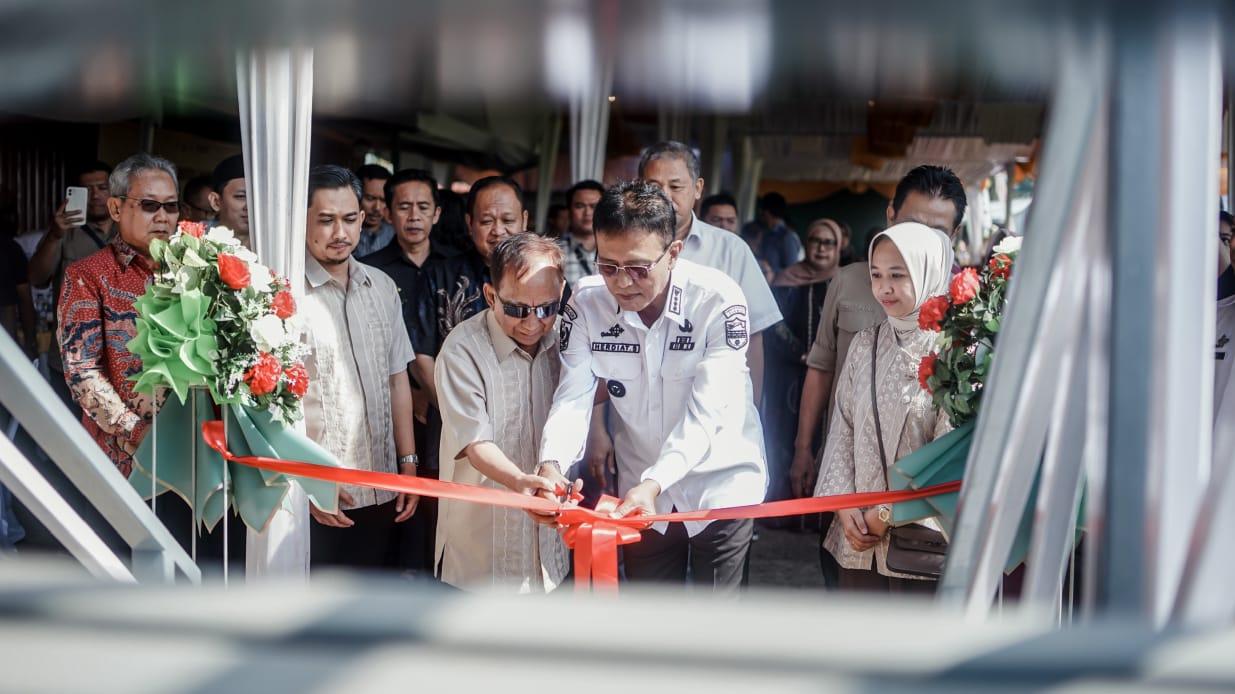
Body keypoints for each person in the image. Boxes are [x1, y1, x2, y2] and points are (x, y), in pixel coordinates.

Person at [540, 181, 768, 592]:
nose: (623, 283)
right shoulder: (585, 305)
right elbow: (573, 396)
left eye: (639, 268)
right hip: (638, 488)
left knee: (713, 630)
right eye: (608, 267)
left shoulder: (718, 301)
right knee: (648, 616)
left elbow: (708, 412)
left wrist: (655, 481)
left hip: (719, 483)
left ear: (674, 254)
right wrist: (553, 464)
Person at [789, 165, 967, 500]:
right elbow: (822, 366)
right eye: (912, 225)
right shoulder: (848, 282)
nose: (885, 288)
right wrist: (803, 449)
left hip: (920, 499)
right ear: (891, 215)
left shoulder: (966, 304)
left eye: (938, 232)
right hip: (844, 476)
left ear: (954, 235)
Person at [813, 222, 954, 592]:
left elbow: (949, 454)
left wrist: (886, 514)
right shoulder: (864, 344)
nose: (884, 288)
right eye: (876, 275)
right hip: (857, 540)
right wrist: (845, 508)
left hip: (921, 545)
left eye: (898, 275)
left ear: (928, 272)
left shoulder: (951, 351)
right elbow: (842, 428)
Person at [435, 233, 575, 592]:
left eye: (546, 308)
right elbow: (474, 441)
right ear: (490, 295)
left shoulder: (567, 340)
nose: (532, 322)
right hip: (481, 555)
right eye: (516, 309)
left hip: (550, 554)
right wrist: (518, 481)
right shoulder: (461, 350)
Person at [300, 165, 419, 570]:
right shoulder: (282, 293)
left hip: (383, 484)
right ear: (302, 220)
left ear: (364, 219)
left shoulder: (382, 287)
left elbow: (397, 379)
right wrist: (309, 482)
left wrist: (408, 464)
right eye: (326, 220)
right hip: (318, 493)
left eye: (350, 219)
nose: (340, 233)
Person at [57, 154, 177, 475]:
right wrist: (139, 433)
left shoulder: (193, 271)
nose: (163, 217)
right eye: (150, 205)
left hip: (190, 453)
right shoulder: (89, 274)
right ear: (115, 209)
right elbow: (82, 370)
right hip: (121, 459)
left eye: (171, 206)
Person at [638, 141, 781, 405]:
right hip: (636, 408)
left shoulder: (731, 250)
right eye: (653, 188)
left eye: (676, 186)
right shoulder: (624, 250)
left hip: (713, 405)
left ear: (698, 189)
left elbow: (752, 336)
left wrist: (751, 409)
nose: (665, 196)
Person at [359, 168, 445, 575]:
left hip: (448, 405)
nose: (413, 216)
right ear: (388, 213)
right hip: (397, 409)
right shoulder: (368, 270)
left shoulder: (453, 267)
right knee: (400, 506)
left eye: (422, 207)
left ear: (437, 213)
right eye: (404, 207)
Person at [762, 220, 842, 504]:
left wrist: (822, 360)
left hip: (831, 377)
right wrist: (801, 354)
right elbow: (774, 323)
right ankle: (782, 509)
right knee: (783, 436)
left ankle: (816, 511)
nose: (821, 248)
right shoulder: (785, 280)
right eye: (815, 241)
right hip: (788, 376)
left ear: (838, 246)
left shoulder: (843, 283)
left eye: (828, 242)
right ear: (805, 245)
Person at [28, 160, 114, 417]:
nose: (96, 195)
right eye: (87, 190)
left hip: (119, 357)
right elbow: (36, 277)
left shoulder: (131, 231)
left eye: (102, 187)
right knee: (71, 430)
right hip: (70, 357)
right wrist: (55, 235)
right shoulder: (64, 232)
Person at [741, 192, 804, 278]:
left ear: (766, 212)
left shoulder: (787, 237)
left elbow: (792, 270)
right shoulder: (765, 232)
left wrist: (769, 270)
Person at [558, 179, 604, 285]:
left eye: (594, 206)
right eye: (580, 206)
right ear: (569, 211)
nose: (587, 212)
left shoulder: (616, 249)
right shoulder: (554, 252)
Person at [353, 164, 395, 257]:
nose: (377, 208)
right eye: (370, 198)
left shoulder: (396, 235)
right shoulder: (344, 233)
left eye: (383, 200)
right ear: (355, 196)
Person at [208, 155, 250, 248]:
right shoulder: (196, 244)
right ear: (216, 202)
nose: (251, 206)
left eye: (256, 200)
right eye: (241, 196)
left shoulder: (279, 245)